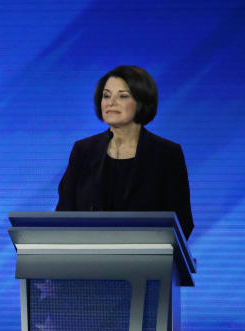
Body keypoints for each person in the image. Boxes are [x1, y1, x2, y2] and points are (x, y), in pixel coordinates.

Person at [55, 65, 193, 238]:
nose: (111, 102)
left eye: (122, 96)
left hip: (146, 261)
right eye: (106, 96)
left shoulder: (166, 154)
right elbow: (63, 214)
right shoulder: (83, 151)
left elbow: (182, 222)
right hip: (87, 260)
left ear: (142, 101)